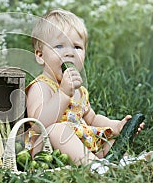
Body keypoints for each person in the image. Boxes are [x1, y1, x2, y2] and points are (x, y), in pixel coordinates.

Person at [25, 9, 146, 173]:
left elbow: (92, 118)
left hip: (81, 145)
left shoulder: (79, 91)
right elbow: (39, 124)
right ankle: (95, 165)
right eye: (59, 46)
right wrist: (63, 94)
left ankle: (113, 161)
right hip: (47, 149)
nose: (69, 52)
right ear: (40, 55)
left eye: (77, 47)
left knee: (109, 139)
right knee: (57, 130)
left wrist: (115, 126)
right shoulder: (41, 86)